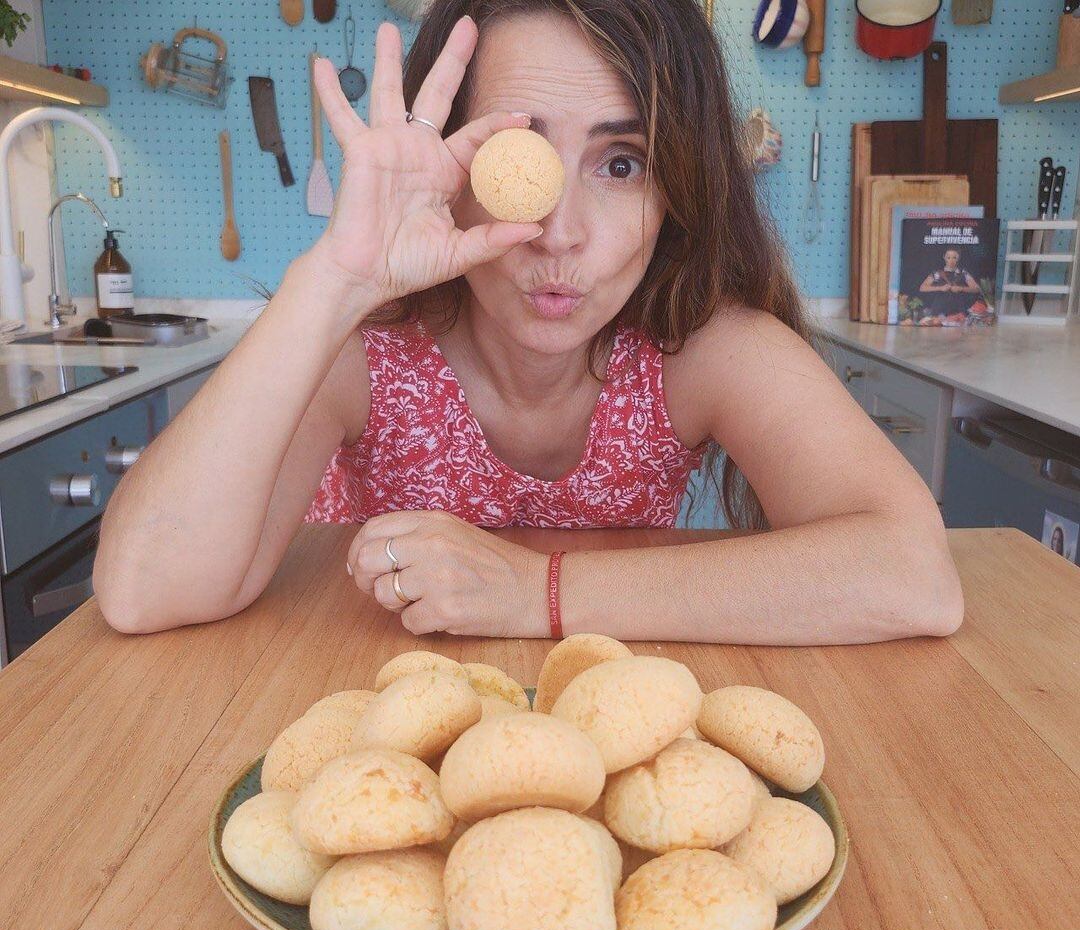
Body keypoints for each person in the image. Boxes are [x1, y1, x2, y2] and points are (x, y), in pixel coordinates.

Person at [93, 0, 963, 644]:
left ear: (677, 193)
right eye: (518, 159)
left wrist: (537, 594)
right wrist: (335, 281)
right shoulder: (364, 353)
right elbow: (143, 591)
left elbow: (912, 574)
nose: (558, 232)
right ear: (450, 171)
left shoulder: (702, 347)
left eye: (621, 163)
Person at [917, 248, 983, 324]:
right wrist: (940, 288)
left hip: (958, 311)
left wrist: (961, 288)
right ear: (944, 257)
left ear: (958, 259)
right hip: (939, 311)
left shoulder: (963, 273)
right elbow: (922, 288)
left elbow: (976, 288)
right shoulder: (937, 273)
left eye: (954, 258)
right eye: (948, 257)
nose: (951, 260)